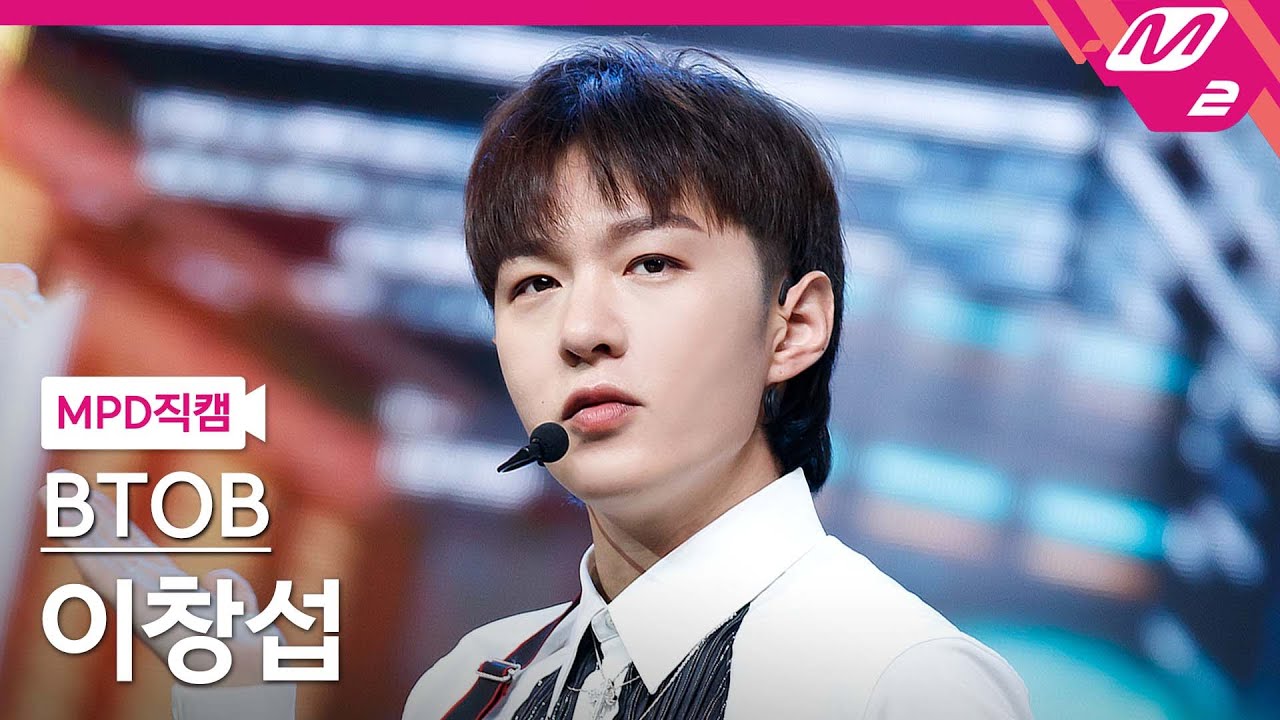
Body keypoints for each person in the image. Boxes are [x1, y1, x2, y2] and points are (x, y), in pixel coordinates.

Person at [61, 40, 1035, 720]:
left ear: (794, 327)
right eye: (533, 283)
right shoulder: (472, 685)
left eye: (651, 263)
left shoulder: (901, 685)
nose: (581, 330)